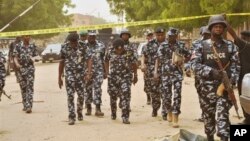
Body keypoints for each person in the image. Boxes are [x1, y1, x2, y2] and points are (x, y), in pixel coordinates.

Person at [191, 15, 238, 141]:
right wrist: (211, 72)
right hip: (206, 89)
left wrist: (231, 80)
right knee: (208, 116)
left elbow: (236, 66)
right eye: (216, 26)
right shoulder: (200, 46)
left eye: (221, 27)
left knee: (222, 114)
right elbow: (194, 65)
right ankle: (210, 137)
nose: (218, 29)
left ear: (224, 29)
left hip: (224, 88)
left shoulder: (231, 46)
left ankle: (224, 137)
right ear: (210, 28)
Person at [154, 27, 190, 128]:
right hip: (166, 74)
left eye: (173, 36)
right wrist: (156, 72)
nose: (171, 38)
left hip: (177, 74)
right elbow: (158, 58)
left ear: (176, 36)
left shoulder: (181, 45)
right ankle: (169, 110)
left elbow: (189, 55)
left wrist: (183, 61)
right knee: (166, 96)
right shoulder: (163, 45)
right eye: (169, 36)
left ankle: (175, 116)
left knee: (177, 95)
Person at [58, 33, 92, 125]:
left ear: (78, 40)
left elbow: (89, 59)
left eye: (75, 42)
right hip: (69, 75)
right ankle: (71, 117)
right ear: (69, 41)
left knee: (81, 96)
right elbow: (61, 62)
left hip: (81, 75)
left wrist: (88, 73)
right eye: (71, 42)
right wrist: (59, 77)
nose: (73, 44)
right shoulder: (64, 47)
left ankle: (79, 111)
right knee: (70, 96)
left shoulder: (83, 46)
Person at [105, 38, 138, 124]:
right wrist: (107, 72)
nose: (119, 51)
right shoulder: (110, 50)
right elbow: (106, 60)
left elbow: (134, 63)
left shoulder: (129, 52)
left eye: (121, 49)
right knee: (113, 96)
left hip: (126, 76)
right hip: (113, 77)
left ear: (123, 47)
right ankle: (113, 112)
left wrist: (135, 75)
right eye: (117, 49)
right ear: (114, 47)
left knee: (126, 94)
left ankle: (125, 117)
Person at [227, 23, 250, 124]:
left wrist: (225, 23)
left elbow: (233, 35)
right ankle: (247, 119)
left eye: (242, 38)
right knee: (244, 99)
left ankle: (248, 119)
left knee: (245, 99)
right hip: (243, 78)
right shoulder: (243, 48)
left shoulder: (246, 45)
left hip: (246, 79)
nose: (238, 40)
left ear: (246, 38)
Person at [189, 26, 211, 122]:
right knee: (201, 95)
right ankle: (204, 114)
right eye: (205, 34)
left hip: (212, 75)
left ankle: (212, 115)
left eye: (208, 34)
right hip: (199, 75)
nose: (206, 36)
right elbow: (192, 58)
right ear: (201, 34)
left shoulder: (215, 43)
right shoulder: (196, 44)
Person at [13, 35, 39, 113]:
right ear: (23, 37)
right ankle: (25, 104)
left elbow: (37, 56)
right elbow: (15, 56)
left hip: (30, 68)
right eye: (26, 36)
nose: (28, 37)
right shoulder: (18, 46)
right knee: (23, 88)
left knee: (30, 87)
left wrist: (35, 59)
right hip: (21, 69)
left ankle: (29, 106)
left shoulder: (33, 46)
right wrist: (17, 64)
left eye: (29, 36)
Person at [141, 28, 163, 117]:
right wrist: (142, 64)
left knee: (166, 91)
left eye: (162, 34)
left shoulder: (168, 43)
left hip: (166, 70)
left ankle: (165, 111)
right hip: (151, 69)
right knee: (154, 90)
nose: (160, 36)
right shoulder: (149, 45)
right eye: (158, 34)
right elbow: (143, 54)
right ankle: (155, 108)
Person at [85, 30, 106, 117]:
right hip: (86, 71)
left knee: (98, 89)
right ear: (87, 37)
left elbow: (103, 59)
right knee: (87, 89)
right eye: (90, 36)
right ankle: (88, 108)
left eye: (93, 36)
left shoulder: (101, 46)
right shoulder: (82, 46)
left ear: (95, 37)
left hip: (98, 71)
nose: (92, 38)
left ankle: (98, 109)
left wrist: (105, 71)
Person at [119, 29, 138, 110]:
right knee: (119, 89)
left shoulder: (132, 46)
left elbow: (134, 60)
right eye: (123, 35)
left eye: (127, 35)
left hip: (127, 72)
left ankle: (127, 104)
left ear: (129, 36)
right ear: (121, 36)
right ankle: (121, 100)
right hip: (118, 72)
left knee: (127, 90)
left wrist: (135, 74)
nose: (125, 36)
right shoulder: (116, 45)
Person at [141, 30, 154, 105]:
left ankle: (155, 98)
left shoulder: (158, 45)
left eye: (151, 35)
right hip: (148, 67)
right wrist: (143, 64)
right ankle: (148, 98)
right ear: (146, 37)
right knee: (147, 83)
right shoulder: (145, 46)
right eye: (148, 36)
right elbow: (143, 56)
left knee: (156, 83)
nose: (150, 37)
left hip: (156, 67)